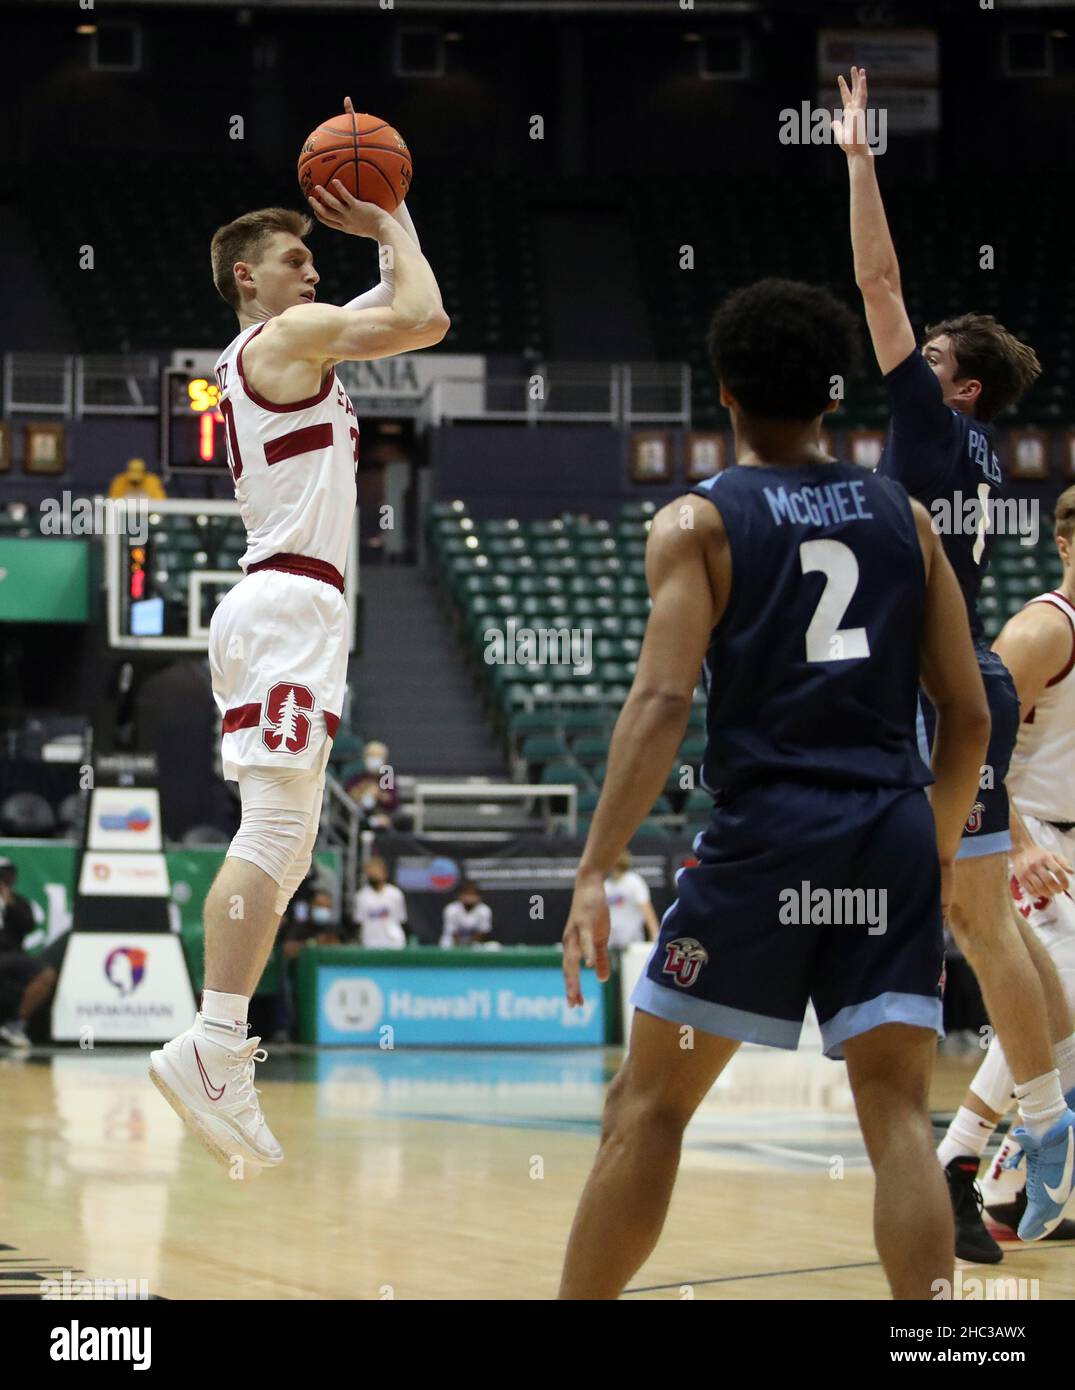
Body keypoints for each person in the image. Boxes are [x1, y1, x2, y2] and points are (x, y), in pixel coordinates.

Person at [559, 275, 991, 1301]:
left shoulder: (697, 523)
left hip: (766, 837)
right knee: (895, 1118)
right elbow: (967, 714)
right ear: (834, 396)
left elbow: (662, 701)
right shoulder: (903, 515)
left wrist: (595, 863)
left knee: (648, 1107)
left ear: (723, 391)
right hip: (886, 825)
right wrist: (929, 842)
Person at [148, 93, 449, 1173]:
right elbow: (424, 318)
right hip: (287, 601)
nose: (314, 272)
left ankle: (217, 1046)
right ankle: (211, 1039)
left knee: (289, 839)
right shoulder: (282, 337)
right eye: (297, 258)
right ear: (249, 280)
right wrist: (393, 220)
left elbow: (393, 317)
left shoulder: (278, 350)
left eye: (315, 261)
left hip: (286, 603)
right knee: (273, 835)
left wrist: (378, 236)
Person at [836, 66, 1075, 1242]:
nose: (905, 365)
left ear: (958, 385)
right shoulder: (988, 458)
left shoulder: (934, 426)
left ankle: (1040, 1120)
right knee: (989, 926)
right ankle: (1020, 1118)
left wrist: (857, 160)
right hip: (947, 687)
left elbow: (876, 280)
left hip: (937, 689)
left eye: (925, 357)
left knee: (979, 927)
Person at [938, 486, 1075, 1259]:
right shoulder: (1041, 629)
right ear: (1061, 544)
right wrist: (1018, 843)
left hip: (1063, 838)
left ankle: (993, 1179)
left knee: (1060, 1019)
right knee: (1057, 987)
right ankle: (964, 1162)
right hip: (1017, 833)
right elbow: (973, 744)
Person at [0, 857, 56, 1048]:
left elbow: (29, 925)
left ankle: (16, 1024)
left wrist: (10, 904)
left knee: (46, 974)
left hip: (11, 955)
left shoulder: (19, 902)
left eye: (6, 876)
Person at [603, 852, 659, 948]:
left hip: (632, 944)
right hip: (611, 944)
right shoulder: (606, 886)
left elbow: (646, 909)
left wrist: (655, 936)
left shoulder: (634, 881)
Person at [354, 857, 408, 948]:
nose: (374, 874)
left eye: (377, 870)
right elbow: (359, 921)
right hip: (370, 944)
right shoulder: (361, 896)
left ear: (384, 873)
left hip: (394, 943)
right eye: (371, 871)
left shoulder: (395, 894)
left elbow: (401, 918)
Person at [345, 739, 399, 829]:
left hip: (383, 816)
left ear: (384, 760)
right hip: (361, 818)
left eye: (378, 757)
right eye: (371, 757)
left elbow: (394, 803)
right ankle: (372, 822)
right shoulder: (356, 779)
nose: (374, 760)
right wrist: (361, 791)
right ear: (365, 758)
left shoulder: (387, 780)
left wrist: (379, 794)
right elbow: (348, 798)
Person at [440, 880, 493, 947]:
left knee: (493, 946)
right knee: (446, 945)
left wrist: (468, 947)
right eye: (466, 894)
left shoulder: (484, 910)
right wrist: (460, 950)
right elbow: (453, 933)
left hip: (473, 944)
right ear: (460, 896)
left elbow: (481, 933)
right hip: (451, 943)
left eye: (473, 894)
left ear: (479, 897)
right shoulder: (451, 909)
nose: (469, 898)